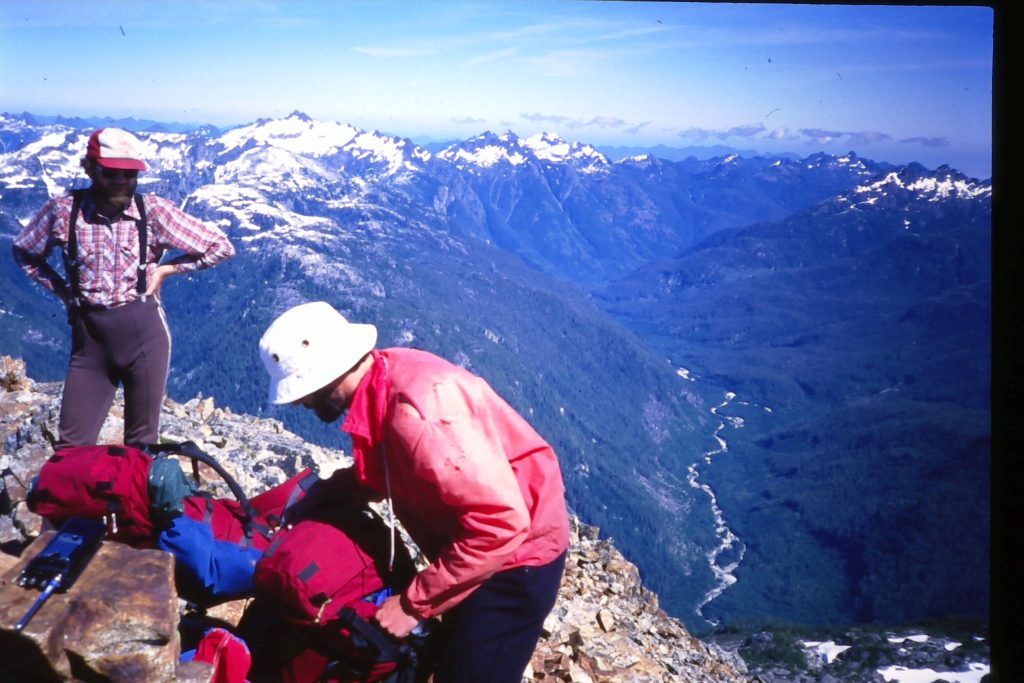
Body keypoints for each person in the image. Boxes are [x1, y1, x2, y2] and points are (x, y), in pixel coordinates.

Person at [259, 301, 571, 683]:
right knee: (451, 656)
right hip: (472, 549)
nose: (303, 404)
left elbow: (500, 524)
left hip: (516, 562)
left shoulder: (418, 414)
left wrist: (412, 605)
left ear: (327, 376)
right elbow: (393, 467)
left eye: (303, 393)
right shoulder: (382, 379)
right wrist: (328, 492)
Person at [12, 127, 235, 448]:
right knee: (71, 446)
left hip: (146, 339)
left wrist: (166, 270)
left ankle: (134, 497)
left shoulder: (152, 212)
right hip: (90, 346)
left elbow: (220, 246)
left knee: (142, 444)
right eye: (111, 173)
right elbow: (24, 251)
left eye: (130, 174)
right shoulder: (64, 211)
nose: (122, 181)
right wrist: (63, 291)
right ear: (89, 168)